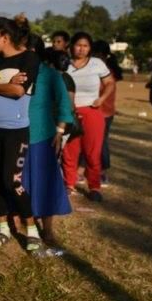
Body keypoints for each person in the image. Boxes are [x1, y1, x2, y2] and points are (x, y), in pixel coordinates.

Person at [0, 17, 42, 252]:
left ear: (5, 37)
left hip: (16, 131)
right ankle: (3, 227)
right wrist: (2, 84)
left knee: (12, 180)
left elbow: (18, 91)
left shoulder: (29, 58)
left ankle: (32, 228)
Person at [23, 36, 74, 249]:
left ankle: (48, 229)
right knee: (21, 183)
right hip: (16, 136)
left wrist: (60, 131)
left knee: (45, 183)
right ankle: (25, 224)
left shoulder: (50, 75)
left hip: (42, 136)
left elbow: (64, 104)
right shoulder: (13, 72)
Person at [61, 32, 115, 202]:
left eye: (85, 46)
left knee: (92, 152)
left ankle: (94, 187)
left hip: (92, 112)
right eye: (78, 45)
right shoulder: (64, 64)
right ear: (72, 46)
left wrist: (102, 99)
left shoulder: (97, 63)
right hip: (70, 113)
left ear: (90, 48)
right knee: (69, 151)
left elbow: (110, 83)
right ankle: (68, 184)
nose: (82, 49)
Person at [92, 40, 123, 185]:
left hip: (103, 112)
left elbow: (99, 90)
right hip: (101, 111)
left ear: (102, 55)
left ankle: (103, 172)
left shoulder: (105, 71)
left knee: (101, 142)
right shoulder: (100, 68)